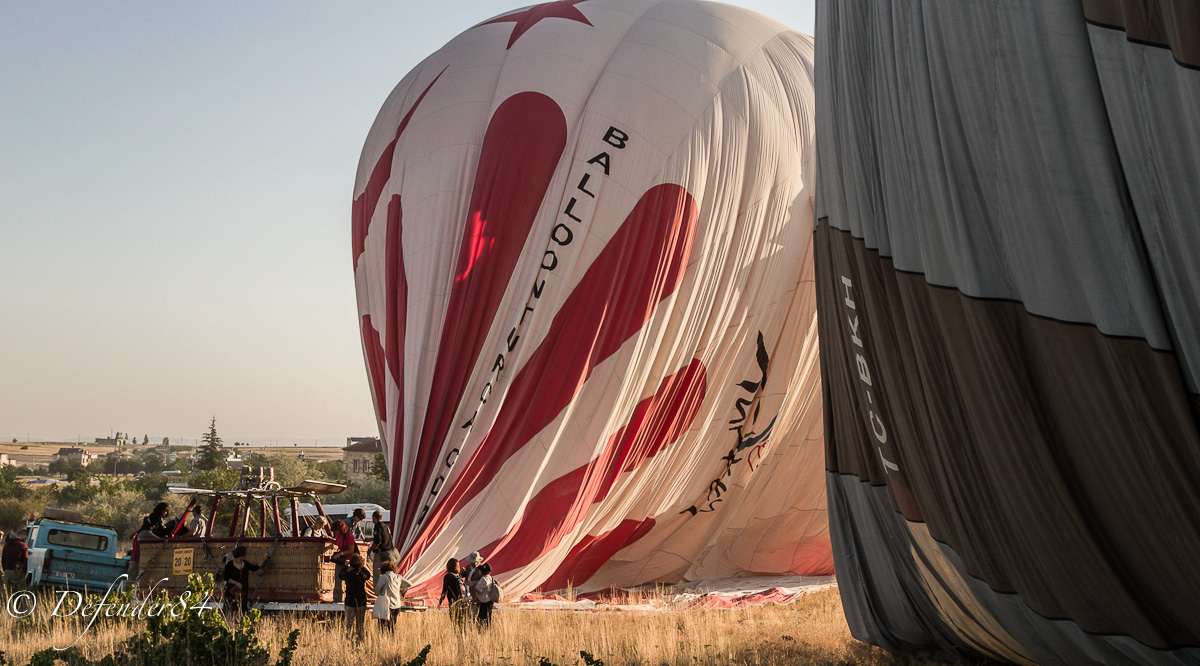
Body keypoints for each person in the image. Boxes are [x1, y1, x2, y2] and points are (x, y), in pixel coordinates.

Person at [222, 546, 269, 613]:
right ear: (240, 555)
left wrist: (264, 559)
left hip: (242, 590)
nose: (246, 555)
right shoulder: (230, 564)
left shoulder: (245, 563)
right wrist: (236, 583)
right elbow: (226, 577)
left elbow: (255, 568)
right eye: (244, 554)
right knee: (230, 607)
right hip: (231, 590)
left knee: (242, 608)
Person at [339, 553, 372, 643]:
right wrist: (363, 566)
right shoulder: (362, 573)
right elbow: (368, 576)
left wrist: (346, 566)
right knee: (360, 624)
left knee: (349, 624)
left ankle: (348, 640)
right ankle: (360, 641)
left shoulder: (348, 574)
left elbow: (340, 575)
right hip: (361, 601)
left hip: (350, 601)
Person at [372, 561, 411, 632]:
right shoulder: (398, 577)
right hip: (396, 605)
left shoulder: (383, 577)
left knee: (382, 626)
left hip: (385, 605)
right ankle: (392, 639)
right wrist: (400, 587)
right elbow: (409, 584)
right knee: (392, 625)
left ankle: (383, 639)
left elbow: (376, 591)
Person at [366, 510, 398, 586]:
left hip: (380, 555)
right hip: (389, 554)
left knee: (377, 574)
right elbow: (383, 538)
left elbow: (377, 543)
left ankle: (378, 592)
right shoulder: (386, 527)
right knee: (388, 574)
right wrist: (370, 539)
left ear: (374, 518)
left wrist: (369, 550)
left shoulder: (377, 527)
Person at [330, 520, 357, 603]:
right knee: (338, 579)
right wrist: (330, 540)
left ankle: (350, 598)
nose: (335, 533)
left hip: (349, 560)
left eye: (336, 531)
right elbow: (338, 543)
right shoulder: (338, 536)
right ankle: (337, 599)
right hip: (341, 561)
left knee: (349, 581)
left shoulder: (349, 536)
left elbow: (351, 550)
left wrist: (340, 554)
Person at [471, 563, 500, 627]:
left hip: (484, 602)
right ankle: (487, 632)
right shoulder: (490, 578)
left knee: (482, 620)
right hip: (489, 601)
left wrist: (474, 587)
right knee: (488, 619)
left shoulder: (483, 579)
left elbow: (479, 590)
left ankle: (482, 632)